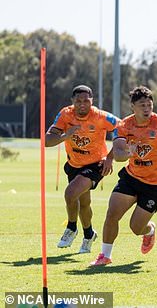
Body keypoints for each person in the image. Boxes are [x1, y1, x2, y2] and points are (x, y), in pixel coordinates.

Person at [90, 86, 157, 266]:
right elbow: (119, 154)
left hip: (156, 185)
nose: (146, 108)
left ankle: (149, 231)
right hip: (132, 177)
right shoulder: (124, 125)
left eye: (149, 104)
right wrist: (128, 153)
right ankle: (105, 256)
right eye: (142, 105)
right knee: (112, 213)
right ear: (132, 107)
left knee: (136, 228)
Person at [45, 85, 119, 254]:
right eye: (78, 101)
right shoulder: (65, 114)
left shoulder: (100, 116)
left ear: (92, 101)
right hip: (74, 164)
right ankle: (89, 235)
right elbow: (47, 141)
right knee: (84, 204)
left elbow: (123, 130)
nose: (82, 104)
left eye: (86, 100)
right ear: (73, 101)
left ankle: (71, 228)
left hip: (95, 165)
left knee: (70, 193)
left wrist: (110, 157)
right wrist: (65, 136)